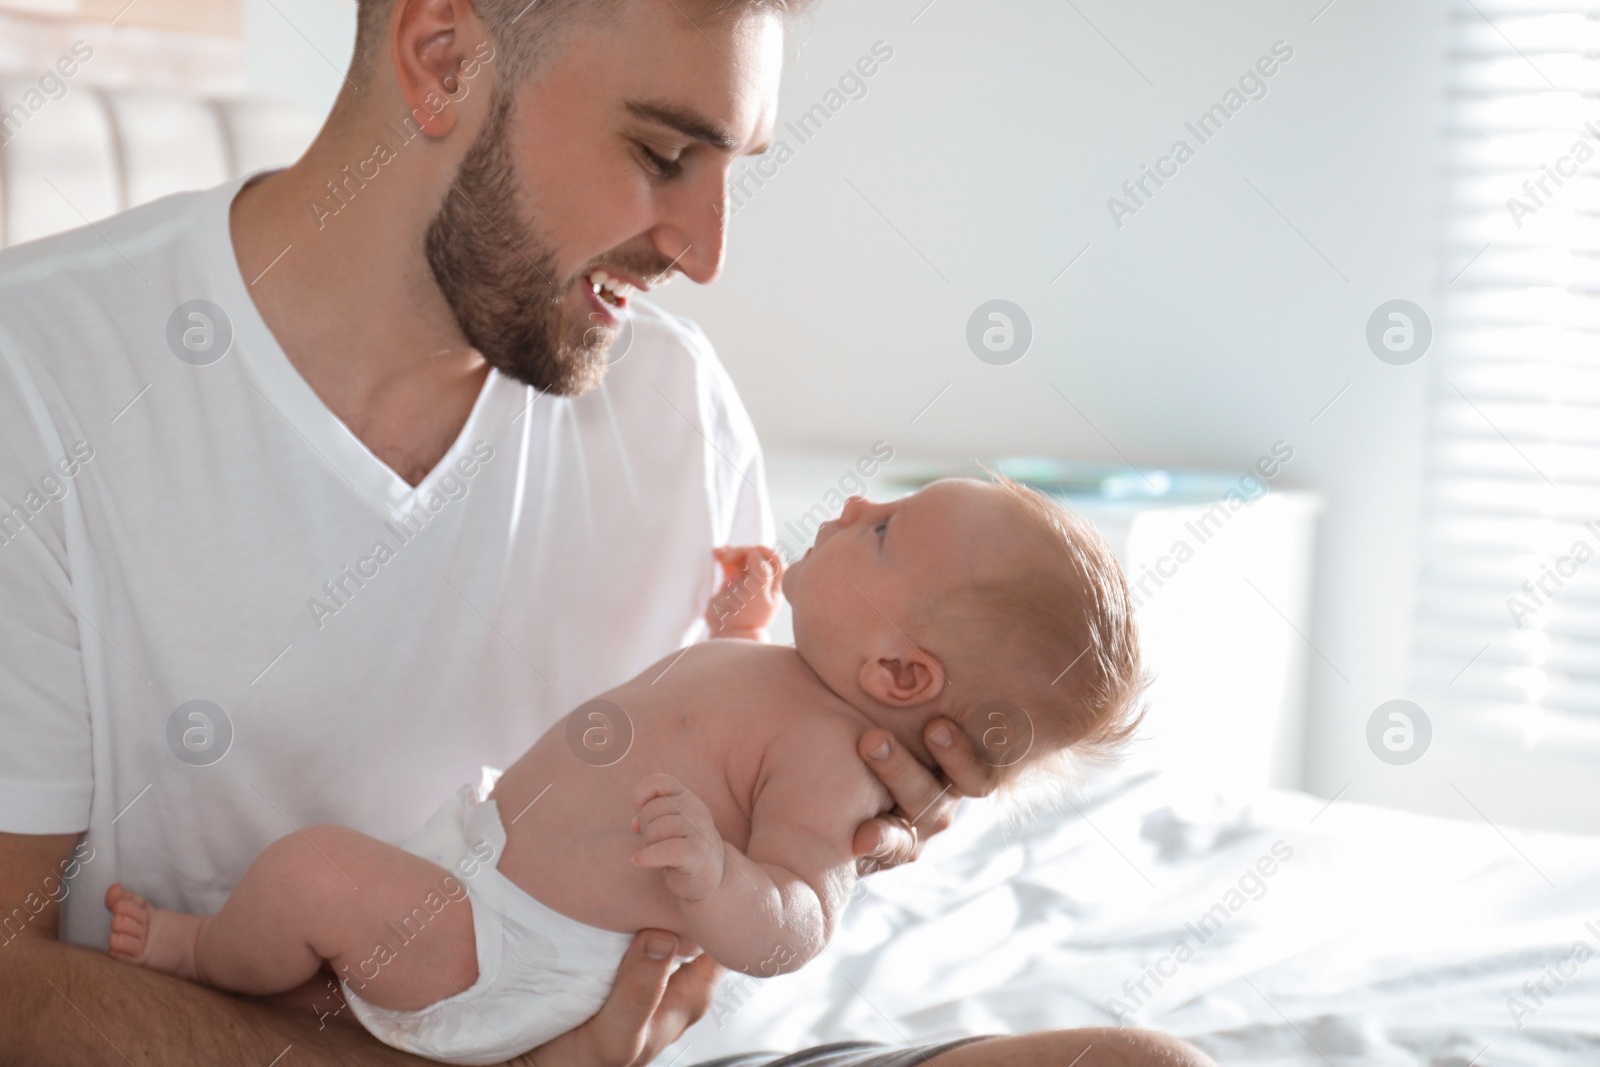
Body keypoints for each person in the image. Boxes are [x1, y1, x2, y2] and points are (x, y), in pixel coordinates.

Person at [0, 0, 1214, 1063]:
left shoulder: (672, 399)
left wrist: (866, 799)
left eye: (735, 167)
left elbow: (745, 801)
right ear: (441, 57)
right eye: (664, 150)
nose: (707, 251)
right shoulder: (41, 382)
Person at [101, 477, 1146, 1064]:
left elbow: (799, 917)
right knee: (333, 885)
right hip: (486, 887)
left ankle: (203, 949)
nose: (855, 499)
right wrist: (732, 625)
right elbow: (694, 706)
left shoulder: (832, 765)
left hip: (516, 953)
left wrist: (717, 876)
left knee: (311, 873)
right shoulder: (790, 680)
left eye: (881, 528)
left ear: (898, 670)